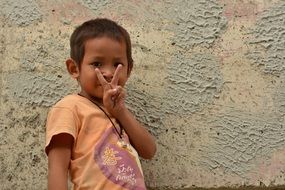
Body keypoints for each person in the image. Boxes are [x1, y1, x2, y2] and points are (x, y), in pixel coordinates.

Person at [45, 18, 156, 190]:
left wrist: (121, 112)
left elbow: (149, 151)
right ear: (74, 69)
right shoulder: (69, 108)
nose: (109, 73)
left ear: (129, 69)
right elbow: (57, 168)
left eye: (118, 64)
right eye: (97, 64)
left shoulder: (118, 111)